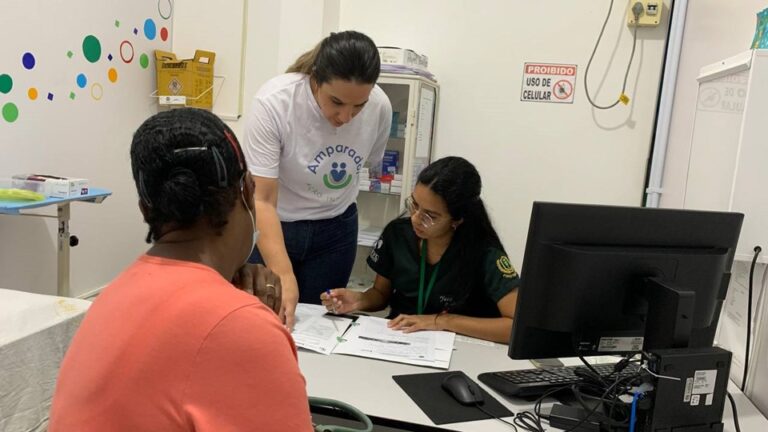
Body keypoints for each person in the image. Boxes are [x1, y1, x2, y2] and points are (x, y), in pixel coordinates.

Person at [48, 108, 313, 431]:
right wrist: (241, 314)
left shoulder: (114, 296)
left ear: (146, 210)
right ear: (247, 191)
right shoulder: (242, 327)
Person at [243, 30, 392, 329]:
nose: (346, 117)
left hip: (335, 230)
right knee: (265, 321)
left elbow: (369, 164)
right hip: (275, 225)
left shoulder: (380, 107)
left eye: (358, 105)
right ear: (315, 78)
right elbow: (262, 198)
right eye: (336, 102)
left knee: (320, 326)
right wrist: (284, 273)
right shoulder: (275, 102)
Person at [321, 156, 519, 343]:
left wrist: (441, 321)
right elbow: (380, 295)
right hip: (399, 338)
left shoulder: (484, 253)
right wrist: (359, 300)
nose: (415, 218)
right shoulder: (398, 234)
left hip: (457, 348)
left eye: (430, 216)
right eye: (414, 205)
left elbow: (515, 327)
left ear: (457, 220)